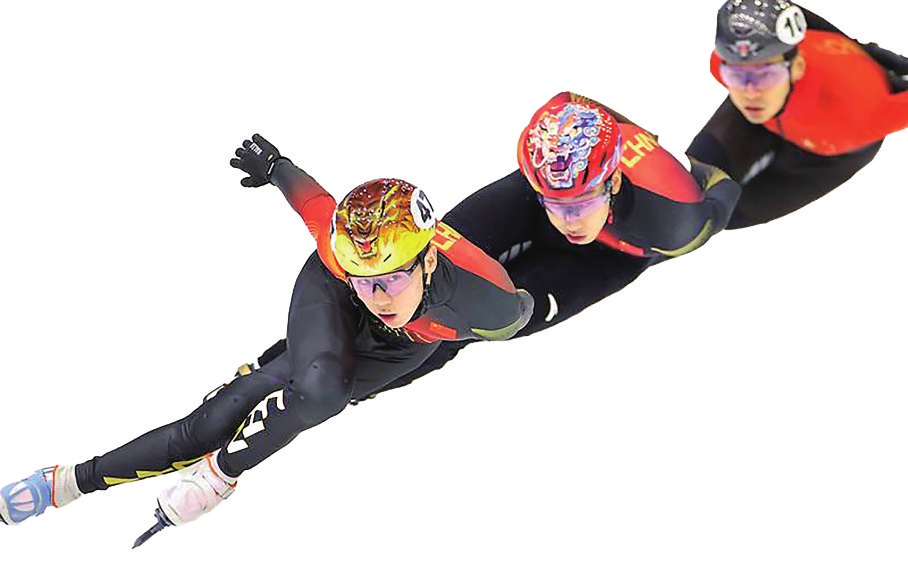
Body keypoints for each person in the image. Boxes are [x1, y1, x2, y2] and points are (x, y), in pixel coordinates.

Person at [0, 135, 533, 535]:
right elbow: (314, 202)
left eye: (391, 278)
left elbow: (521, 310)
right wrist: (276, 166)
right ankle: (65, 482)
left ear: (429, 259)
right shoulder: (341, 259)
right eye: (363, 277)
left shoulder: (491, 304)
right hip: (330, 297)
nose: (377, 295)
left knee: (320, 390)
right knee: (216, 424)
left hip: (405, 346)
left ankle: (226, 462)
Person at [260, 92, 741, 397]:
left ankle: (348, 385)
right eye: (554, 201)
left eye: (579, 204)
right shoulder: (551, 163)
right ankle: (287, 357)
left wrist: (701, 169)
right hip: (530, 196)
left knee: (463, 325)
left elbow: (727, 192)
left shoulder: (678, 219)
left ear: (613, 182)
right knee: (420, 270)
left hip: (605, 259)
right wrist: (559, 193)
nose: (565, 219)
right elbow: (567, 99)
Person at [687, 1, 908, 229]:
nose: (750, 92)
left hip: (826, 155)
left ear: (798, 67)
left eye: (766, 74)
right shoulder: (727, 69)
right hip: (768, 118)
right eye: (735, 75)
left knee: (727, 217)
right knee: (687, 188)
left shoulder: (865, 113)